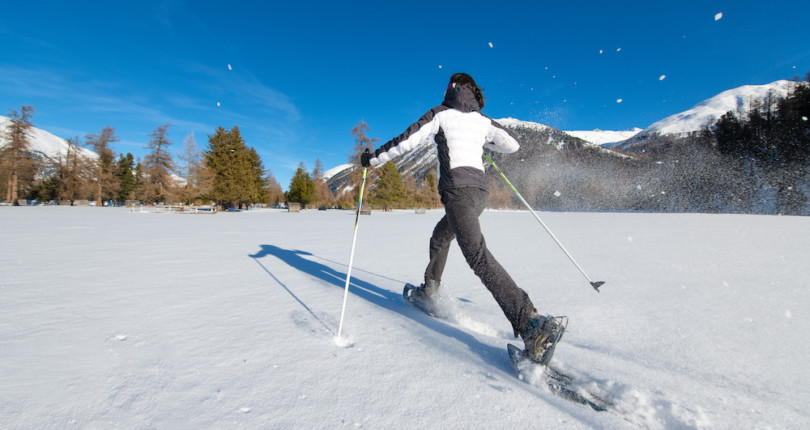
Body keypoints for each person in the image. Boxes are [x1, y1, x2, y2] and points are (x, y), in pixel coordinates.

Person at [360, 72, 561, 363]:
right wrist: (484, 142)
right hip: (479, 194)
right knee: (441, 236)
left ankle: (531, 324)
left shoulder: (441, 114)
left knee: (477, 257)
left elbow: (406, 141)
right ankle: (430, 289)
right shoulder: (482, 120)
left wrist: (372, 159)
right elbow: (513, 144)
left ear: (451, 89)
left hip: (458, 193)